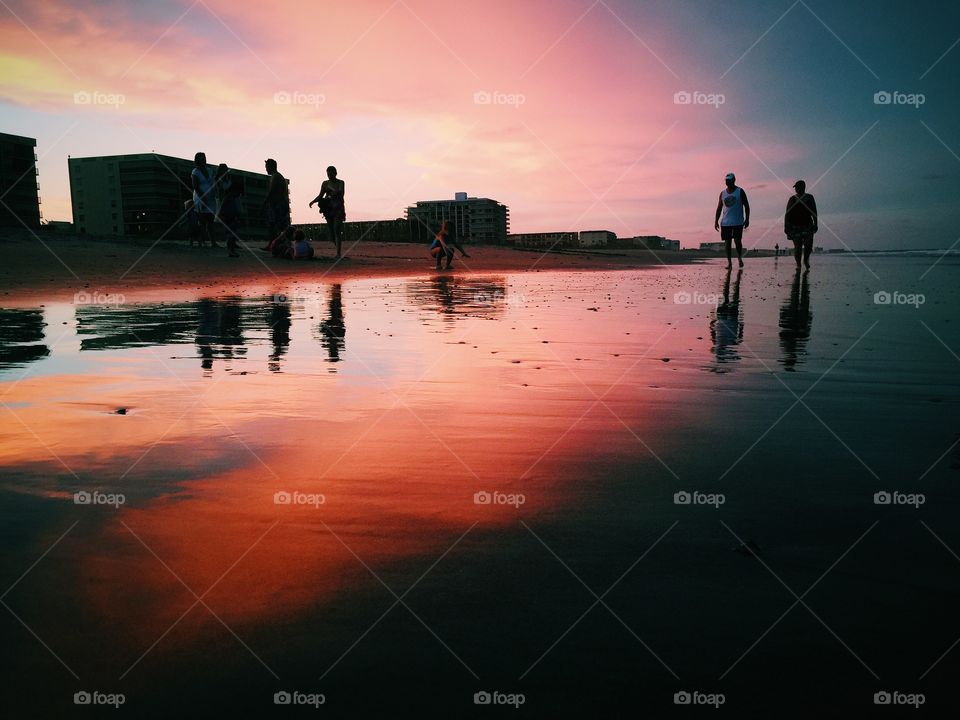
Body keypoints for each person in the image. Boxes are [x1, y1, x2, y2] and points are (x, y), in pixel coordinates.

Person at [714, 172, 749, 269]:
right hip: (725, 223)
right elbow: (719, 208)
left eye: (729, 180)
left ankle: (739, 258)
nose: (727, 182)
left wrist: (747, 219)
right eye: (726, 180)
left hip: (738, 222)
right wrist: (716, 221)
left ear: (734, 180)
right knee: (727, 244)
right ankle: (729, 263)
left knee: (738, 241)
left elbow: (746, 205)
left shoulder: (740, 191)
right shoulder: (722, 193)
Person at [309, 166, 346, 258]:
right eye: (328, 174)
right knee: (332, 232)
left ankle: (338, 253)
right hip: (328, 209)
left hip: (338, 208)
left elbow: (341, 193)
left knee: (337, 228)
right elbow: (320, 195)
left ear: (335, 173)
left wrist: (332, 190)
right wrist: (313, 201)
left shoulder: (341, 182)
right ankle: (338, 250)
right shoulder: (325, 183)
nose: (329, 175)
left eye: (331, 173)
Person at [784, 180, 818, 269]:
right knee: (798, 247)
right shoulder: (792, 199)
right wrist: (786, 227)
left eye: (797, 187)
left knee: (809, 246)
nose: (796, 189)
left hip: (808, 225)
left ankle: (806, 259)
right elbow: (787, 213)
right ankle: (798, 264)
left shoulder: (810, 198)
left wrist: (816, 223)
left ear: (803, 187)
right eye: (795, 188)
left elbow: (814, 211)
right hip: (795, 227)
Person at [215, 163, 243, 257]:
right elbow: (221, 195)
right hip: (225, 204)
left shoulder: (228, 179)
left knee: (233, 225)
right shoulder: (219, 181)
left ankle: (232, 246)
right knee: (230, 227)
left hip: (232, 203)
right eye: (224, 170)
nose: (225, 171)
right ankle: (231, 249)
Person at [191, 152, 218, 248]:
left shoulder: (210, 170)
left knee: (211, 220)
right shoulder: (195, 172)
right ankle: (201, 241)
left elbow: (214, 182)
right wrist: (203, 198)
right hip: (200, 197)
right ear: (197, 160)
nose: (204, 159)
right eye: (202, 158)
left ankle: (213, 242)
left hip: (211, 197)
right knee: (202, 221)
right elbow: (196, 186)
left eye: (204, 158)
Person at [262, 158, 290, 249]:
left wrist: (264, 202)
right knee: (277, 226)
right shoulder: (278, 176)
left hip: (277, 205)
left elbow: (271, 191)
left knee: (274, 226)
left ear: (271, 167)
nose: (266, 169)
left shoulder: (275, 177)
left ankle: (273, 245)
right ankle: (275, 244)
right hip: (279, 205)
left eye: (267, 167)